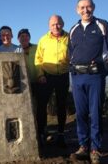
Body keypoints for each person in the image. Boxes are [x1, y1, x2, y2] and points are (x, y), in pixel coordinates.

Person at [68, 0, 108, 163]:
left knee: (95, 113)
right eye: (82, 7)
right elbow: (70, 53)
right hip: (77, 77)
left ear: (94, 7)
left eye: (88, 7)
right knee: (81, 113)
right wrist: (73, 72)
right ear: (77, 10)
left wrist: (103, 73)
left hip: (95, 77)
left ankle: (95, 149)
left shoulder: (103, 25)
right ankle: (83, 146)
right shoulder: (73, 29)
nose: (85, 10)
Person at [35, 15, 70, 148]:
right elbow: (38, 59)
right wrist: (40, 75)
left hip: (63, 75)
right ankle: (41, 134)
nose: (56, 26)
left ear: (63, 23)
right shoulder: (43, 40)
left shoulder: (69, 38)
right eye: (53, 24)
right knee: (42, 106)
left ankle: (61, 135)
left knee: (62, 105)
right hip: (46, 76)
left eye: (58, 24)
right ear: (49, 26)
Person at [17, 28, 38, 101]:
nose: (24, 38)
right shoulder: (15, 51)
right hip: (23, 83)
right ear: (18, 39)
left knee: (39, 103)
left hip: (37, 80)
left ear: (29, 37)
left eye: (26, 36)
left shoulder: (37, 47)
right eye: (22, 36)